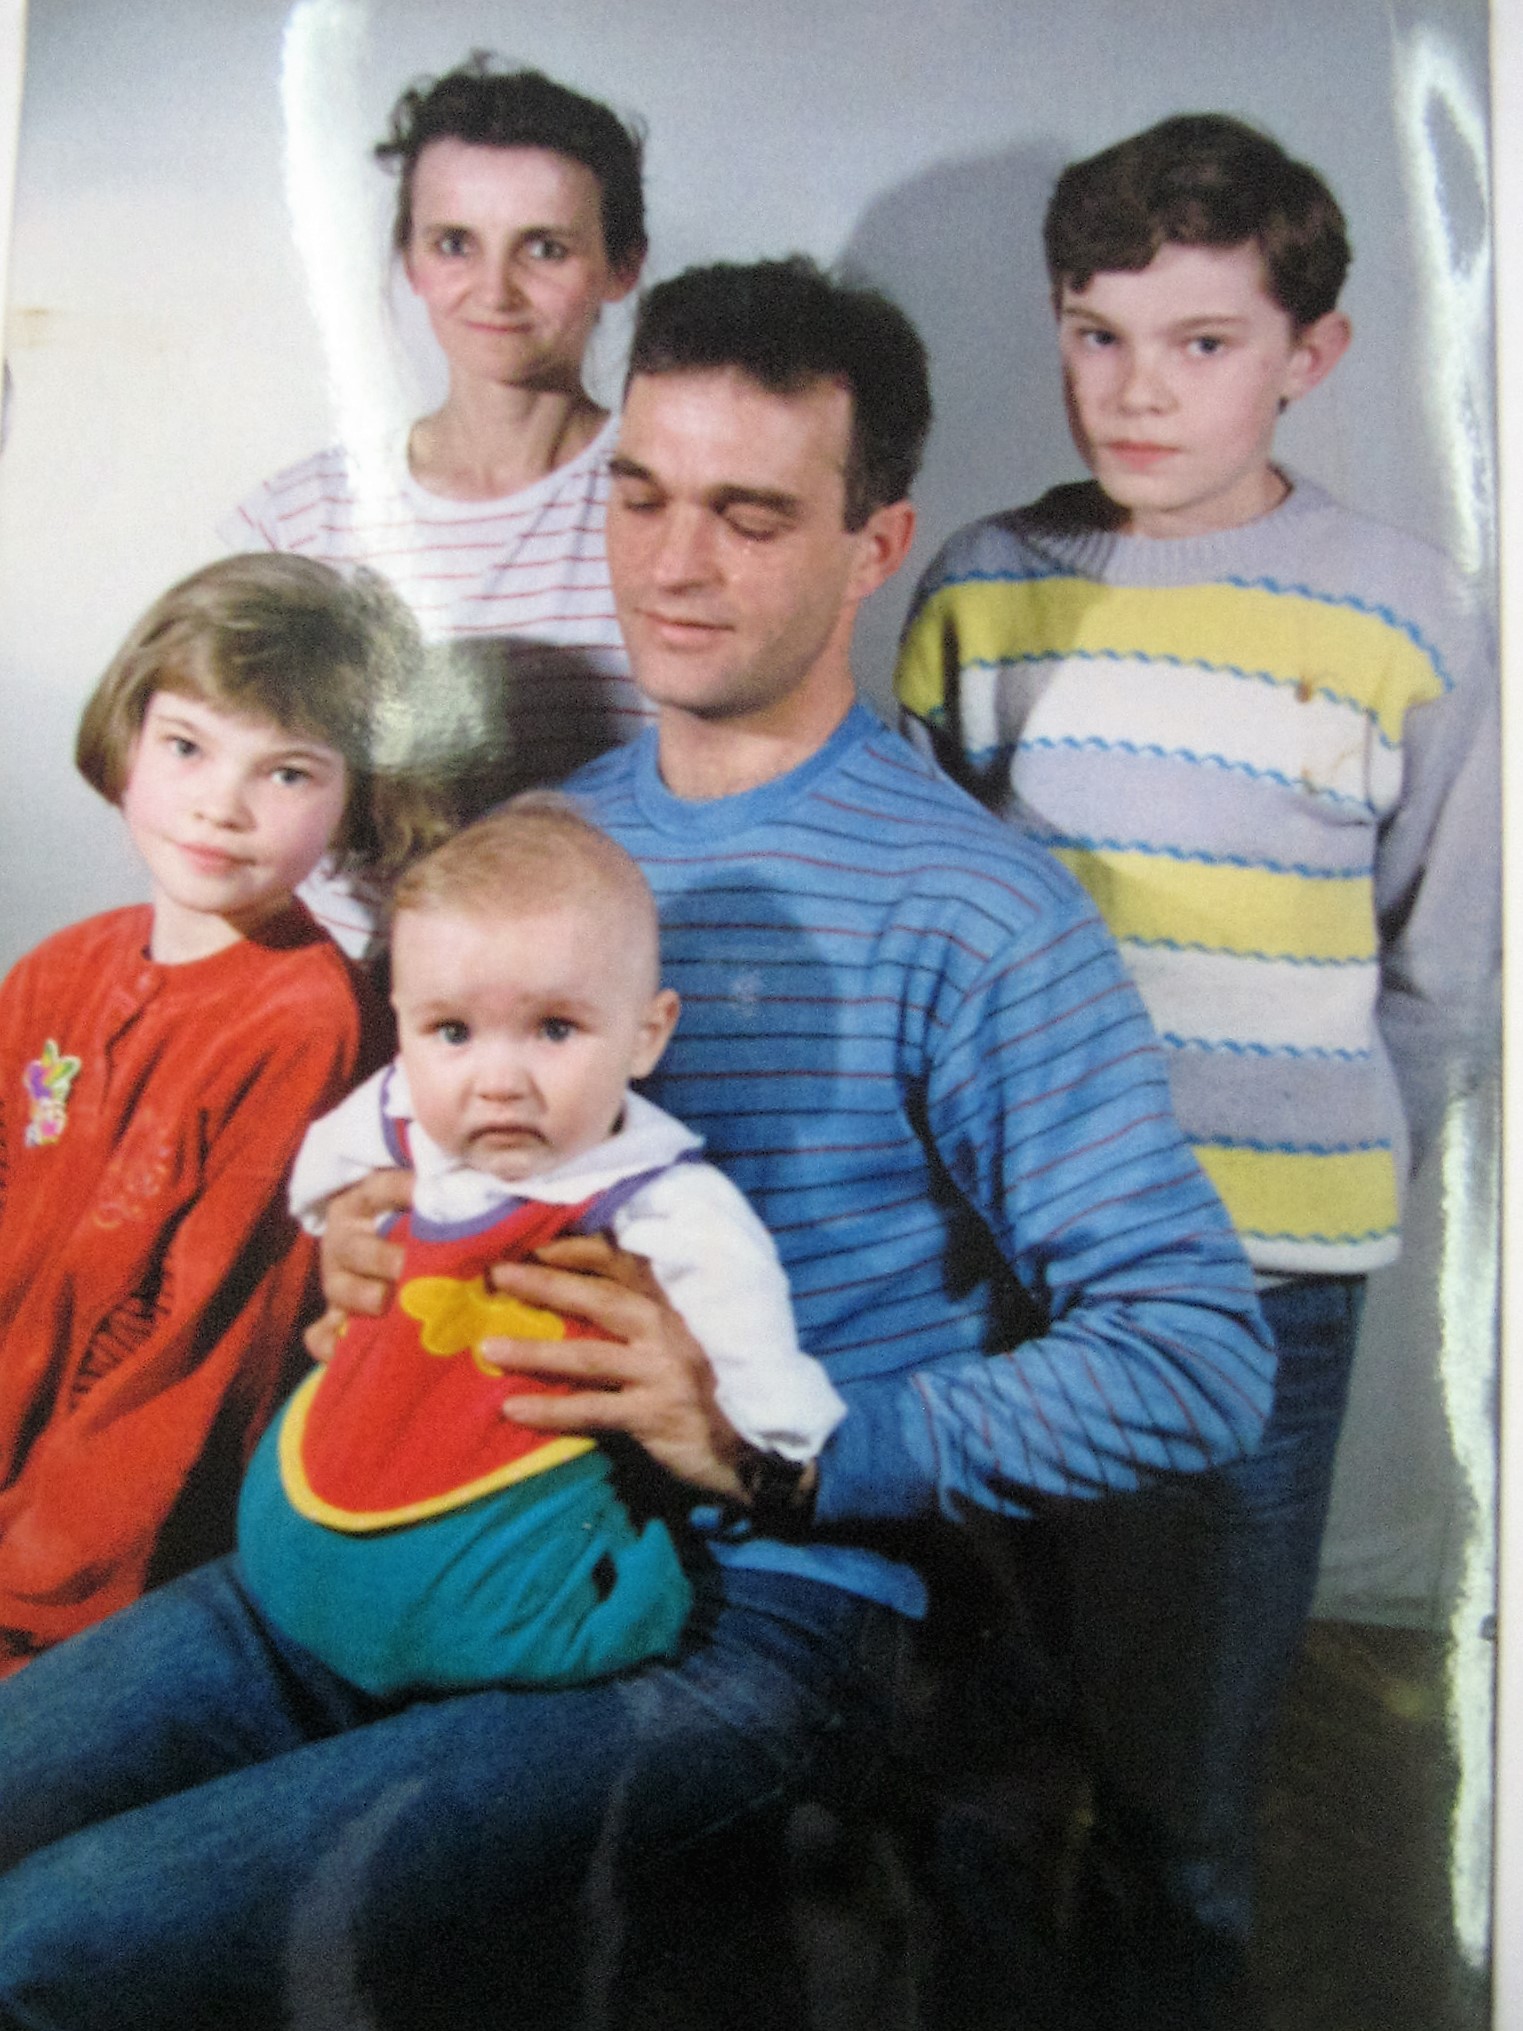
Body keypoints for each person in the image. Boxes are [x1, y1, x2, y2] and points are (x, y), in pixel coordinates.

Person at [0, 257, 1275, 2029]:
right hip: (400, 1525)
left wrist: (778, 1442)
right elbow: (406, 1152)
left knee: (50, 1948)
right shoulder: (538, 842)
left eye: (748, 516)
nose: (673, 564)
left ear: (874, 542)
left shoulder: (976, 910)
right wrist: (364, 1232)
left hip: (744, 1611)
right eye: (641, 496)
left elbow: (1197, 1357)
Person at [894, 114, 1499, 2025]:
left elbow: (1442, 967)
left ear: (1308, 354)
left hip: (1255, 1277)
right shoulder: (984, 586)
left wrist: (1320, 1181)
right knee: (981, 1738)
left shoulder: (1404, 608)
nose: (1136, 390)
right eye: (1096, 335)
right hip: (1005, 1258)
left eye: (1202, 342)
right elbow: (920, 921)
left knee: (1183, 1776)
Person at [237, 795, 844, 1699]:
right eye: (451, 1032)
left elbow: (742, 1307)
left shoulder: (656, 1190)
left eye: (554, 1029)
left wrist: (776, 1423)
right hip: (336, 1465)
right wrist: (332, 1218)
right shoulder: (403, 1112)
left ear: (646, 1035)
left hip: (503, 1508)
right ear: (403, 1023)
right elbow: (330, 1155)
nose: (498, 1082)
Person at [0, 552, 430, 1676]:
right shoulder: (58, 969)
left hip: (92, 1560)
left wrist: (30, 1591)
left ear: (354, 797)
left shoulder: (305, 1020)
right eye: (187, 746)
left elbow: (192, 1350)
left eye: (285, 772)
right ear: (130, 738)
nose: (219, 805)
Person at [223, 56, 655, 952]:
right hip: (342, 1008)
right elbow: (224, 815)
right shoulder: (292, 525)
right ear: (409, 260)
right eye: (454, 243)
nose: (494, 290)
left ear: (621, 267)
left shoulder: (669, 508)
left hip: (595, 993)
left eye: (545, 247)